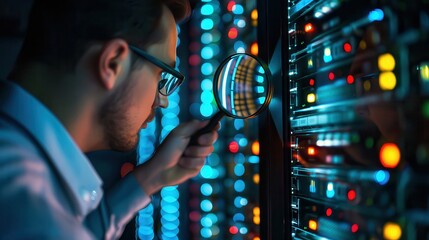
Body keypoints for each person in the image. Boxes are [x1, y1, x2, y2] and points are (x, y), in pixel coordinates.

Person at [0, 0, 218, 239]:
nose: (162, 101)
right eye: (161, 74)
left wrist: (151, 177)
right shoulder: (37, 223)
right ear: (113, 62)